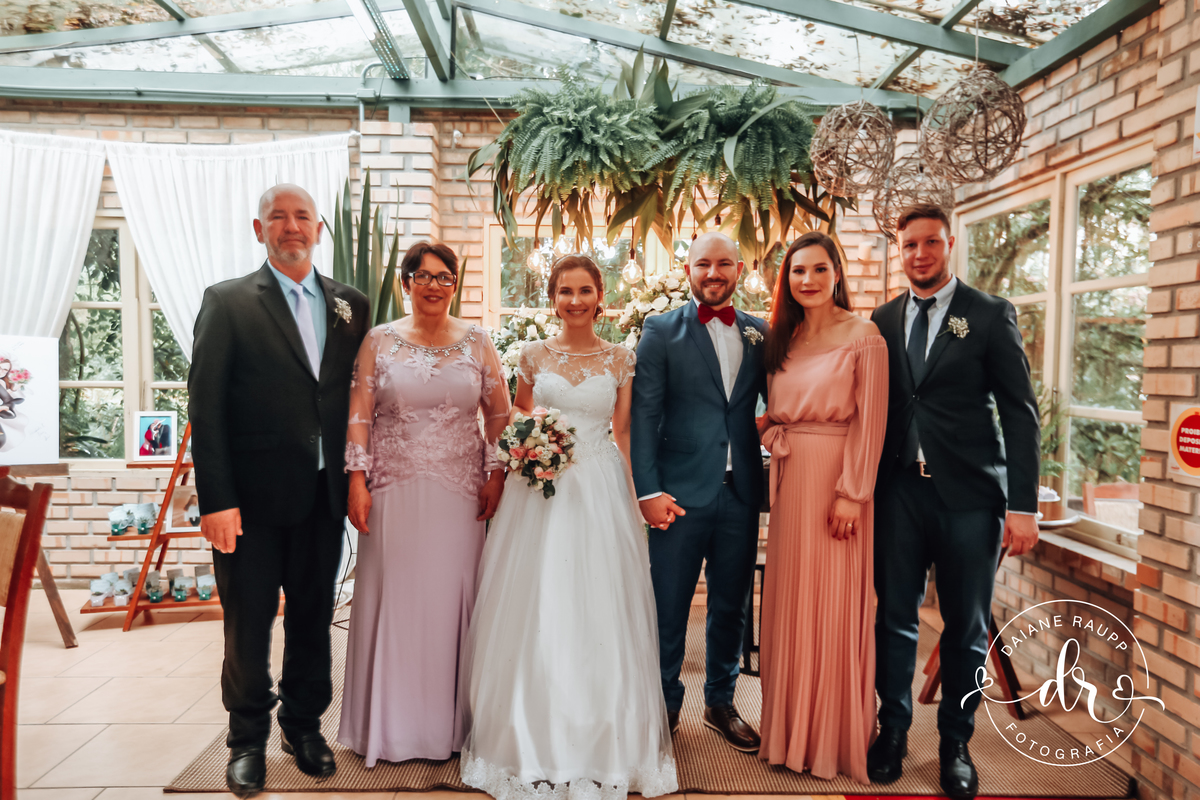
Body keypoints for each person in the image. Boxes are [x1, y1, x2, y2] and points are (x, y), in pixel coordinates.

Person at [460, 255, 677, 800]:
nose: (574, 300)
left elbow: (623, 432)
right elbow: (520, 415)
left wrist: (638, 495)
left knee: (599, 601)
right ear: (552, 297)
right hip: (541, 490)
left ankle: (604, 738)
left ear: (600, 296)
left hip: (600, 487)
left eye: (584, 290)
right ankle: (529, 733)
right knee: (540, 599)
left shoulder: (621, 358)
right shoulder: (533, 355)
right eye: (565, 291)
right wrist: (533, 445)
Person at [189, 183, 370, 797]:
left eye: (302, 217)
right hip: (250, 504)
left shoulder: (351, 305)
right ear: (259, 228)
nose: (291, 227)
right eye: (278, 217)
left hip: (323, 496)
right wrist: (216, 500)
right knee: (249, 622)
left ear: (319, 229)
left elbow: (357, 398)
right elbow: (206, 407)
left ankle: (303, 726)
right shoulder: (229, 302)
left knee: (314, 617)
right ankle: (246, 739)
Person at [868, 204, 1040, 799]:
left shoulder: (988, 314)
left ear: (950, 244)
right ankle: (893, 730)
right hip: (898, 493)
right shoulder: (882, 318)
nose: (920, 254)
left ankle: (956, 743)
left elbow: (1020, 413)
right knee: (894, 617)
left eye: (931, 243)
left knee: (965, 626)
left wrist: (1023, 505)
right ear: (900, 250)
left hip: (970, 497)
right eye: (910, 244)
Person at [339, 241, 510, 767]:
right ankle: (391, 727)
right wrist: (357, 481)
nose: (434, 285)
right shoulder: (378, 340)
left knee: (453, 599)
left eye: (444, 277)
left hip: (461, 495)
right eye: (423, 276)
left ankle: (453, 728)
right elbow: (359, 415)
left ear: (455, 285)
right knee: (396, 597)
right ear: (406, 283)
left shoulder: (479, 342)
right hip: (393, 491)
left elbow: (499, 415)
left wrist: (497, 473)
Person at [631, 232, 768, 752]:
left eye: (724, 263)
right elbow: (644, 416)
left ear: (739, 269)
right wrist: (648, 491)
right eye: (703, 264)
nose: (714, 273)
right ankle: (664, 702)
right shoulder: (661, 330)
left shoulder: (760, 332)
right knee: (669, 604)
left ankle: (720, 702)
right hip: (678, 495)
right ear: (687, 269)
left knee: (731, 605)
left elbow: (777, 403)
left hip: (741, 492)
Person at [757, 232, 887, 782]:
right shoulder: (780, 339)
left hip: (838, 480)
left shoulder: (865, 336)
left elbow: (871, 421)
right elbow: (772, 412)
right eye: (797, 271)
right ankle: (788, 734)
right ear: (785, 280)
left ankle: (830, 738)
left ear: (837, 273)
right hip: (791, 482)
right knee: (789, 602)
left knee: (831, 605)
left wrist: (853, 493)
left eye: (818, 269)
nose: (807, 280)